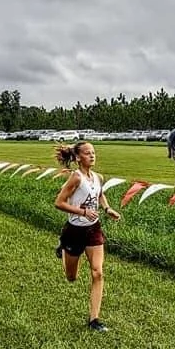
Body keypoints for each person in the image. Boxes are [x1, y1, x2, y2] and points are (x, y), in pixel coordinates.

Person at [53, 142, 120, 332]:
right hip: (74, 230)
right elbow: (59, 203)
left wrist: (107, 209)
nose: (92, 156)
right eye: (87, 153)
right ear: (78, 157)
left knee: (97, 272)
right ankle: (64, 248)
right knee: (71, 277)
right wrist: (82, 212)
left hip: (93, 229)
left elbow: (99, 195)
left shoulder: (98, 177)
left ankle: (94, 320)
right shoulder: (76, 177)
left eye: (93, 153)